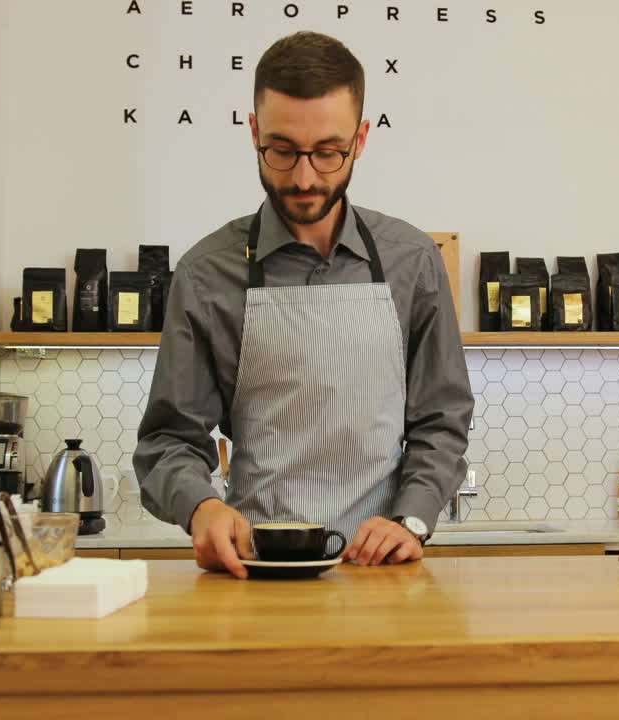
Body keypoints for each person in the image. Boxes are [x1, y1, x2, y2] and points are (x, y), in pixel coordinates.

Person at [134, 31, 474, 579]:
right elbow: (169, 440)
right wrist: (202, 505)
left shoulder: (412, 261)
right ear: (253, 133)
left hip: (380, 572)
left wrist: (411, 519)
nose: (304, 177)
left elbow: (442, 420)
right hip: (255, 571)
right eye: (282, 150)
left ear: (361, 139)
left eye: (328, 152)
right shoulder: (205, 274)